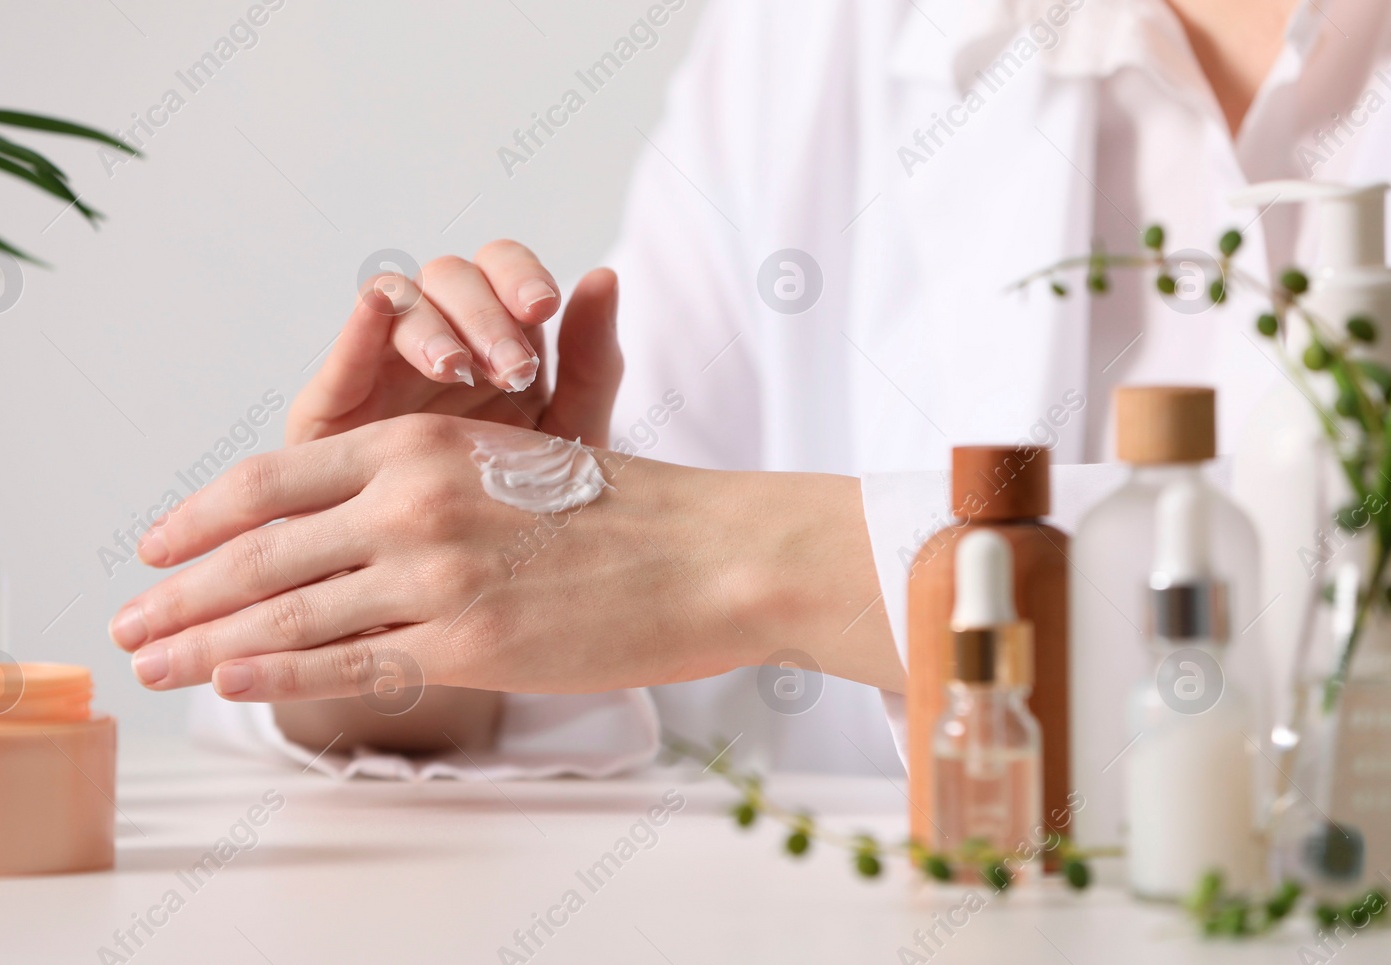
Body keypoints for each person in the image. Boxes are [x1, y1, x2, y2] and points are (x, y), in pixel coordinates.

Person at [109, 0, 1383, 774]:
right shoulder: (828, 29)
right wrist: (419, 579)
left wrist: (750, 560)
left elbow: (689, 555)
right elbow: (642, 614)